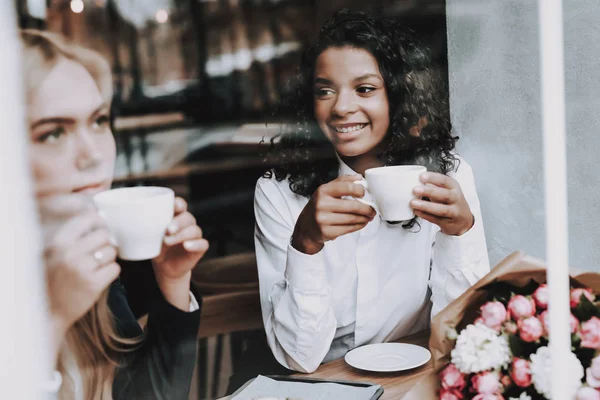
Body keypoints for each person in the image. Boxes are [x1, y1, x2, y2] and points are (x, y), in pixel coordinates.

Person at [254, 9, 490, 373]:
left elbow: (465, 335)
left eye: (364, 88)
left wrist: (460, 233)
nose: (341, 107)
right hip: (324, 384)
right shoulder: (279, 191)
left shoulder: (447, 177)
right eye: (325, 91)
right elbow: (298, 357)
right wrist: (306, 244)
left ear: (399, 96)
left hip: (417, 374)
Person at [22, 29, 209, 399]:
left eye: (98, 121)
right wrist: (53, 319)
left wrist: (172, 283)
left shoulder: (88, 250)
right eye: (53, 133)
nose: (93, 154)